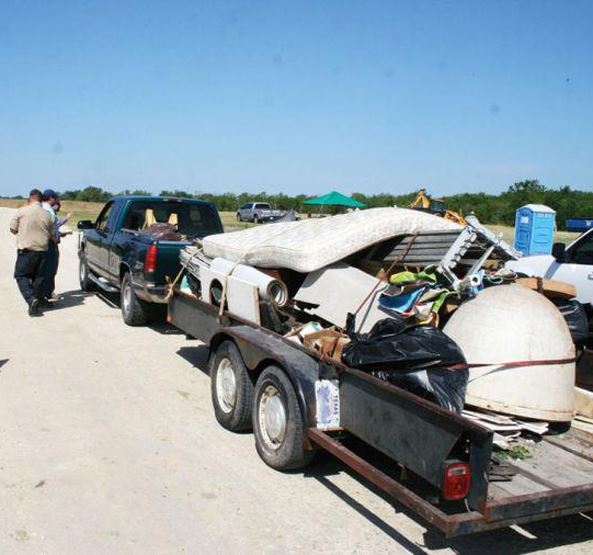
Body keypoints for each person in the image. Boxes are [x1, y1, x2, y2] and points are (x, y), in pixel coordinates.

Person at [9, 189, 55, 315]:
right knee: (38, 278)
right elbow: (52, 235)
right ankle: (34, 306)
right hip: (42, 252)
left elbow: (12, 229)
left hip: (26, 251)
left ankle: (31, 298)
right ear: (41, 200)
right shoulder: (48, 215)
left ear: (30, 198)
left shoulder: (22, 211)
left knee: (21, 275)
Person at [41, 189, 59, 302]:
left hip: (42, 242)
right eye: (55, 198)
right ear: (51, 198)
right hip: (49, 243)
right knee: (50, 269)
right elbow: (50, 230)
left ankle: (46, 292)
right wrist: (55, 240)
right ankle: (47, 293)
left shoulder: (43, 208)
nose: (56, 200)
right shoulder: (48, 211)